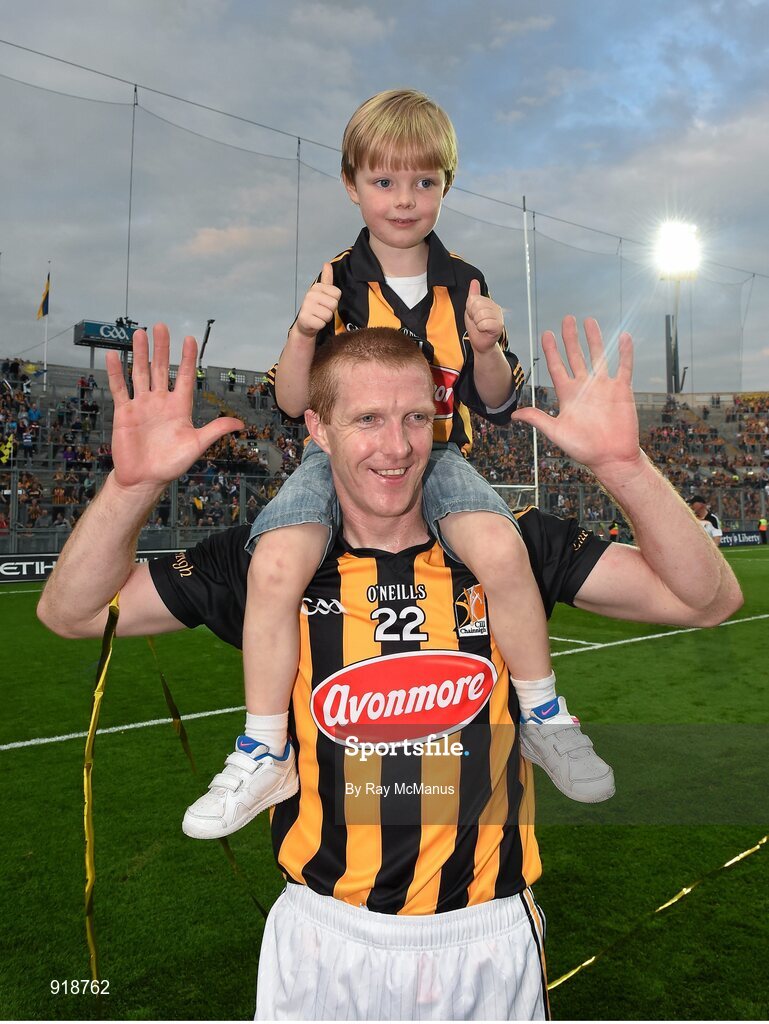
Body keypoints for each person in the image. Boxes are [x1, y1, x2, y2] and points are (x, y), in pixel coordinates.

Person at [38, 320, 741, 1021]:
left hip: (483, 935)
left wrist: (624, 467)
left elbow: (706, 599)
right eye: (368, 419)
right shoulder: (267, 560)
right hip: (323, 939)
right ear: (319, 429)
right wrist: (133, 486)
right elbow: (73, 613)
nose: (397, 446)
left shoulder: (511, 544)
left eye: (415, 417)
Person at [186, 88, 612, 842]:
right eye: (384, 182)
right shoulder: (335, 277)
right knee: (276, 565)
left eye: (424, 182)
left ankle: (543, 711)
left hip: (439, 450)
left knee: (501, 551)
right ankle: (263, 746)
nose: (405, 200)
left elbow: (487, 402)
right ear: (351, 185)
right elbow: (292, 402)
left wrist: (488, 348)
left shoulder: (463, 280)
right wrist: (300, 330)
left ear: (446, 184)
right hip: (340, 455)